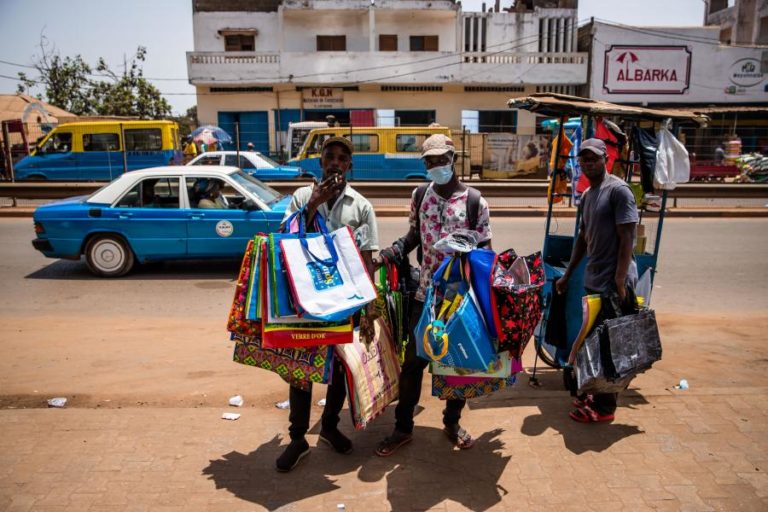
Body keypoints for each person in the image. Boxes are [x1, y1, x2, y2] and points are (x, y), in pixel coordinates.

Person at [374, 134, 492, 457]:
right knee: (413, 363)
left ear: (453, 158)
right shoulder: (420, 195)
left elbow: (485, 252)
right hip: (425, 295)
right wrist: (392, 252)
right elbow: (414, 235)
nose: (436, 165)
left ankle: (452, 422)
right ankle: (402, 428)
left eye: (441, 159)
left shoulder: (475, 202)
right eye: (429, 161)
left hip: (458, 301)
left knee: (458, 366)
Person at [276, 135, 379, 472]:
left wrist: (369, 306)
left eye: (341, 158)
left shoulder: (361, 207)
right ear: (320, 163)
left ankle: (330, 427)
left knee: (337, 371)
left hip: (344, 303)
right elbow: (285, 241)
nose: (335, 162)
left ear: (350, 166)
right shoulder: (302, 197)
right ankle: (296, 438)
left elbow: (367, 259)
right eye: (329, 157)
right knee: (301, 371)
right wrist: (312, 206)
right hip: (305, 302)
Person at [555, 138, 639, 423]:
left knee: (611, 346)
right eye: (584, 159)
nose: (589, 163)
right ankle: (597, 394)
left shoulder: (619, 191)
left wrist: (619, 279)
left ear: (606, 159)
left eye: (594, 158)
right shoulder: (589, 195)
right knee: (595, 344)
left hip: (613, 284)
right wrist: (568, 275)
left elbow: (629, 235)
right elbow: (583, 238)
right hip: (595, 282)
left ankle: (605, 409)